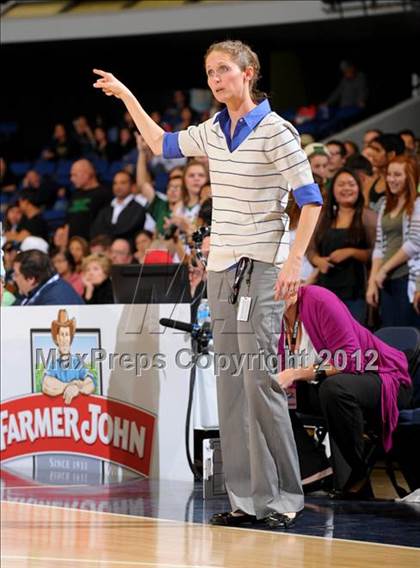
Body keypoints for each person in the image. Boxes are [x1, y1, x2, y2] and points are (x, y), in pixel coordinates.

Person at [93, 38, 322, 529]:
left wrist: (292, 263)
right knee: (230, 384)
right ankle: (245, 499)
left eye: (224, 70)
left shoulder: (278, 131)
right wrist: (128, 96)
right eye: (210, 73)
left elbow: (311, 200)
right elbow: (160, 144)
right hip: (221, 269)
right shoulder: (213, 131)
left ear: (249, 72)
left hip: (263, 266)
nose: (216, 80)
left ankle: (284, 498)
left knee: (259, 381)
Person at [278, 285, 412, 497]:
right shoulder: (276, 319)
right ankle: (314, 470)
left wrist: (296, 373)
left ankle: (355, 473)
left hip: (381, 377)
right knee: (269, 396)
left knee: (333, 388)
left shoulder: (319, 300)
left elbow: (350, 360)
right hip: (330, 387)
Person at [308, 168, 376, 322]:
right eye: (341, 184)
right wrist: (318, 260)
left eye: (351, 184)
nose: (346, 188)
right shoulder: (324, 217)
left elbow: (377, 252)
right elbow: (310, 249)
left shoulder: (368, 217)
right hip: (326, 289)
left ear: (358, 188)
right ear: (333, 190)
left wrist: (351, 252)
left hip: (356, 292)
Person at [366, 155, 420, 327]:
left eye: (397, 175)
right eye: (389, 174)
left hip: (407, 278)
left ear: (409, 177)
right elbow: (380, 245)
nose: (391, 179)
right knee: (389, 335)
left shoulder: (417, 203)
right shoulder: (385, 204)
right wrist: (373, 280)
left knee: (410, 335)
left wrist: (384, 270)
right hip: (386, 281)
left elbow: (414, 243)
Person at [42, 309, 96, 405]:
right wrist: (71, 386)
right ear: (57, 338)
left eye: (67, 335)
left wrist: (78, 388)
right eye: (62, 335)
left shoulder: (77, 362)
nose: (64, 339)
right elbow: (46, 385)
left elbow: (91, 382)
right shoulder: (53, 363)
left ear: (70, 338)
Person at [90, 170, 147, 243]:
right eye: (115, 183)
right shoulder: (106, 209)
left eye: (123, 183)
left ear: (132, 186)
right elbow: (96, 229)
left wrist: (107, 236)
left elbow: (127, 230)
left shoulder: (138, 208)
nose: (118, 187)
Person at [13, 249, 84, 305]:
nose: (14, 279)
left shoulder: (53, 301)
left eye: (16, 274)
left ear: (31, 279)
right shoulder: (51, 288)